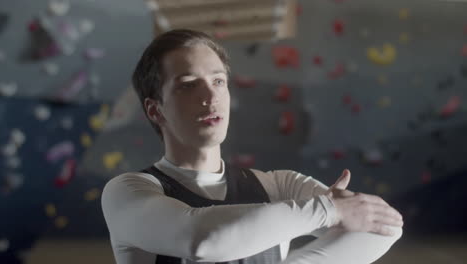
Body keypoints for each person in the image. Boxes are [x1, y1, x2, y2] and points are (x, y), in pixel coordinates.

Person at [101, 29, 404, 264]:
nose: (211, 96)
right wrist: (328, 209)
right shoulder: (127, 192)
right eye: (189, 84)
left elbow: (383, 227)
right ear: (155, 110)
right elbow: (203, 240)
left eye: (218, 81)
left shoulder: (279, 186)